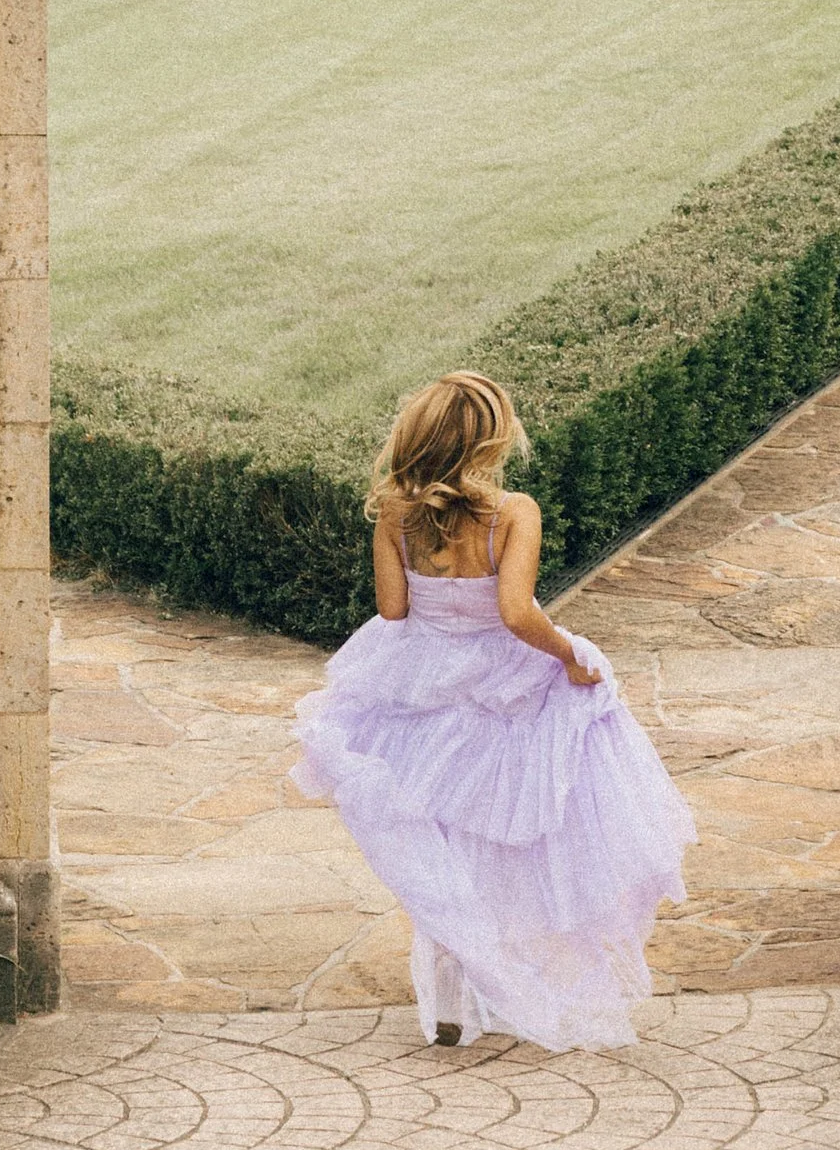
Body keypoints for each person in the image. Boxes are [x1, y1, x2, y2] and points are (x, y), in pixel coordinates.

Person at [292, 370, 695, 1050]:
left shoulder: (396, 512)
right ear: (492, 442)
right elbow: (514, 613)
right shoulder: (513, 513)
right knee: (516, 832)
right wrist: (568, 656)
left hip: (421, 681)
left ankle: (451, 984)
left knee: (441, 833)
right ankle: (511, 971)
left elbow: (393, 610)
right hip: (501, 683)